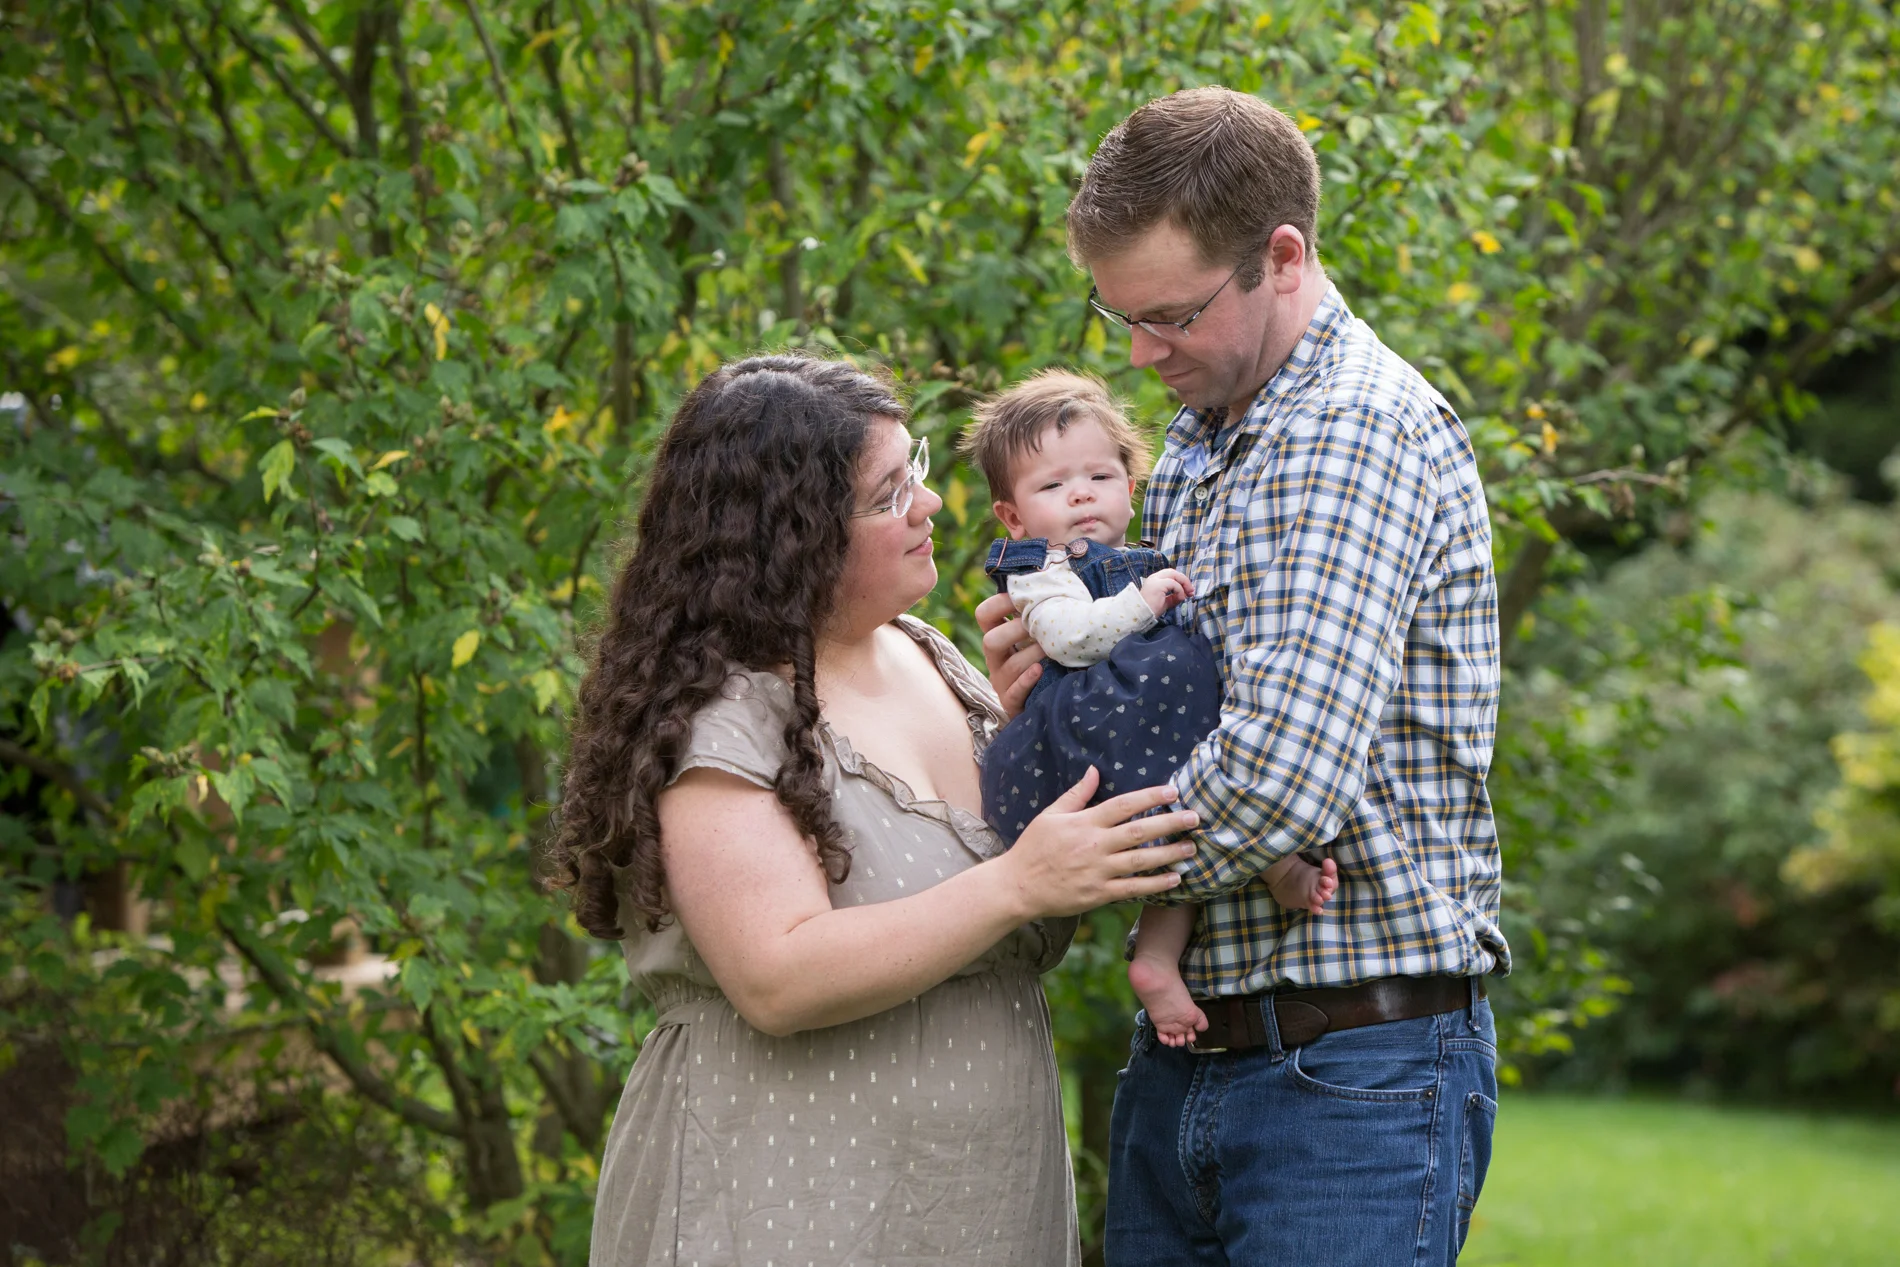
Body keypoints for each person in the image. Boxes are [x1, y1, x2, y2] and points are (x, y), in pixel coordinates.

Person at [979, 88, 1509, 1265]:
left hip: (1345, 1083)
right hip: (1192, 1054)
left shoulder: (1351, 430)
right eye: (1117, 316)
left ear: (1282, 257)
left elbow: (1275, 784)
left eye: (1168, 315)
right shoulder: (1201, 438)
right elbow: (1155, 708)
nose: (1136, 353)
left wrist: (1046, 861)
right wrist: (1047, 692)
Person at [549, 352, 1198, 1267]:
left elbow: (1047, 866)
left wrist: (1038, 735)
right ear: (792, 535)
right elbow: (778, 974)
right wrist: (1016, 881)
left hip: (983, 1200)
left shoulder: (935, 658)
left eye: (917, 470)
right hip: (786, 1196)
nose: (928, 505)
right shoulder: (724, 712)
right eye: (889, 493)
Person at [958, 369, 1337, 1050]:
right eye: (1050, 486)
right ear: (1012, 516)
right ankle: (1273, 872)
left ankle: (1163, 954)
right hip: (1096, 724)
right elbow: (1073, 638)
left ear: (1131, 489)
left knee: (1181, 788)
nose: (1079, 494)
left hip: (1149, 715)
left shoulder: (1141, 552)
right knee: (1160, 804)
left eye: (1099, 477)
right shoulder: (1040, 571)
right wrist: (1145, 602)